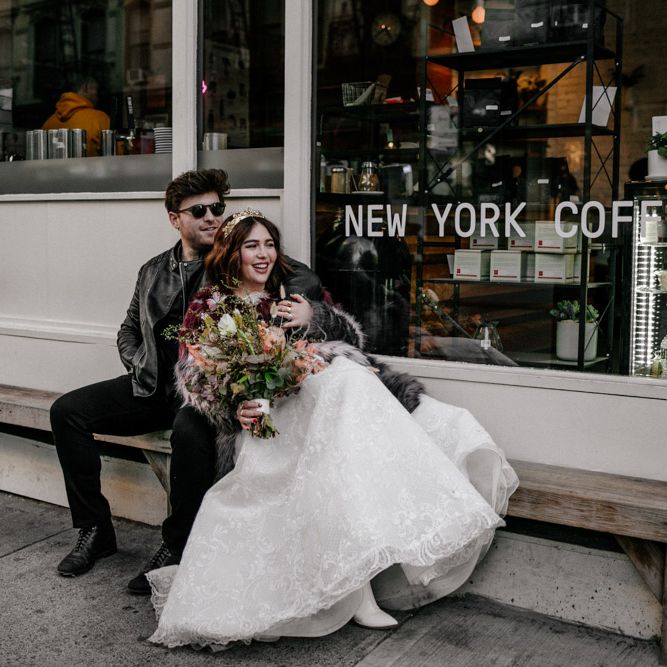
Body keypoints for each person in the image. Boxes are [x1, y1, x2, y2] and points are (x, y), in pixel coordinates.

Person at [146, 211, 518, 648]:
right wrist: (236, 407)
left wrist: (315, 316)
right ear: (232, 254)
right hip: (271, 420)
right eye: (252, 246)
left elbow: (353, 342)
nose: (264, 254)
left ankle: (359, 587)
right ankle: (357, 591)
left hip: (320, 407)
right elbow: (194, 379)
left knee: (352, 385)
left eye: (269, 244)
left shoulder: (292, 291)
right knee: (342, 398)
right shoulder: (210, 307)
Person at [50, 170, 323, 596]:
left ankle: (174, 546)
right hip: (152, 385)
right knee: (67, 412)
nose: (212, 217)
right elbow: (127, 328)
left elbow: (296, 275)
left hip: (205, 393)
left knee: (189, 433)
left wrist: (293, 308)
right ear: (175, 218)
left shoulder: (233, 256)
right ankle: (94, 531)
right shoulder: (153, 270)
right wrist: (139, 361)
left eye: (217, 208)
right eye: (199, 211)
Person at [42, 76, 110, 157]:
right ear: (85, 88)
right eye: (96, 89)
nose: (97, 94)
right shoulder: (100, 118)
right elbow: (116, 152)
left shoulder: (48, 123)